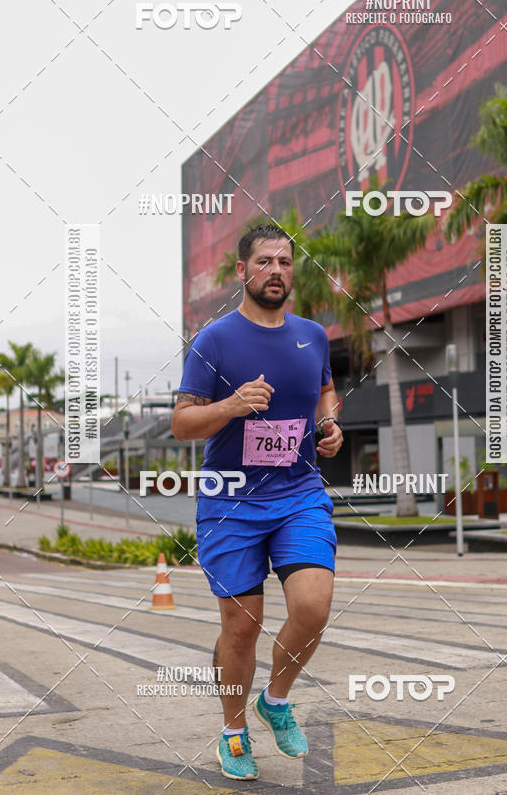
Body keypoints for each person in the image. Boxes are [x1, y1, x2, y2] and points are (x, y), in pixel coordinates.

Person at [172, 224, 343, 781]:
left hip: (298, 494)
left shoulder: (313, 334)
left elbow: (323, 387)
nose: (276, 270)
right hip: (232, 503)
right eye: (265, 261)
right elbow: (181, 423)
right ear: (242, 271)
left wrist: (330, 422)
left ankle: (276, 698)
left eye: (285, 262)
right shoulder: (215, 340)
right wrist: (233, 405)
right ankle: (234, 731)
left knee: (313, 607)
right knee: (242, 626)